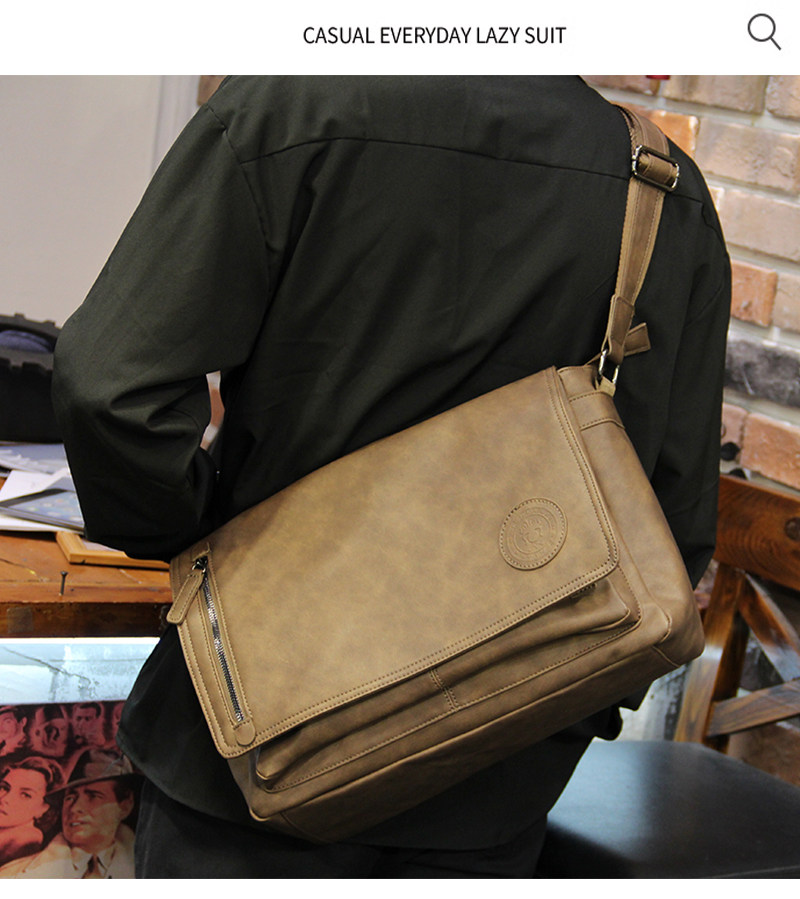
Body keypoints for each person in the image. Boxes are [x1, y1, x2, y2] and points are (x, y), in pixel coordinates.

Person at [51, 76, 731, 877]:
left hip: (251, 749)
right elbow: (672, 527)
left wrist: (205, 552)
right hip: (492, 784)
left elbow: (110, 391)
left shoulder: (291, 108)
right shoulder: (663, 189)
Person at [0, 749, 136, 878]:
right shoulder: (12, 875)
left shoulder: (140, 871)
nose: (75, 808)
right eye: (70, 797)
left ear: (125, 806)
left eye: (93, 796)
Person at [0, 756, 62, 866]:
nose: (4, 799)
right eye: (4, 788)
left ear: (44, 808)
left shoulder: (26, 839)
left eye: (25, 795)